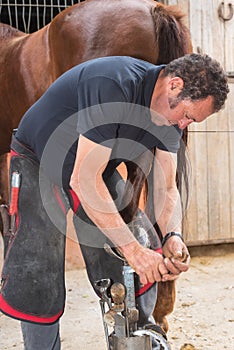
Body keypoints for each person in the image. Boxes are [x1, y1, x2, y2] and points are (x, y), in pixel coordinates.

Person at [0, 54, 229, 349]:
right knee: (37, 270)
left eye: (191, 121)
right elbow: (83, 181)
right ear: (174, 85)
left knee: (140, 246)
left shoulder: (168, 115)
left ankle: (138, 339)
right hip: (39, 160)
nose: (183, 125)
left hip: (95, 168)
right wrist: (133, 252)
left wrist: (173, 235)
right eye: (187, 115)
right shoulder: (113, 85)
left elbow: (166, 186)